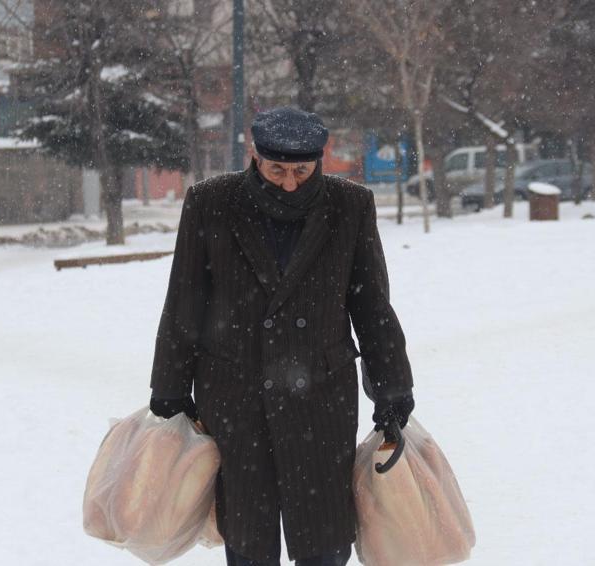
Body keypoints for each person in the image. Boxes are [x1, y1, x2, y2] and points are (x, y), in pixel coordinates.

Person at [148, 107, 415, 566]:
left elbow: (372, 306)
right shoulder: (211, 202)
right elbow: (184, 301)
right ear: (256, 157)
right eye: (277, 170)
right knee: (248, 536)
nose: (290, 183)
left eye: (301, 171)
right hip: (235, 393)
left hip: (320, 396)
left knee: (324, 536)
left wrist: (392, 390)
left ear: (318, 161)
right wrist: (170, 388)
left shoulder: (349, 206)